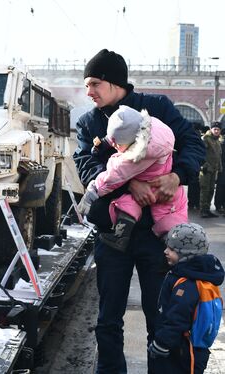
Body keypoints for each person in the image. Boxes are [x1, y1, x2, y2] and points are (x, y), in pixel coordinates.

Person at [73, 48, 206, 374]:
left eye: (93, 84)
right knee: (108, 319)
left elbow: (192, 144)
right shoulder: (89, 122)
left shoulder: (156, 107)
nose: (88, 92)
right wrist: (129, 185)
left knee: (161, 316)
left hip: (158, 236)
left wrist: (177, 176)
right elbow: (86, 164)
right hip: (113, 235)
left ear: (115, 82)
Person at [78, 105, 188, 252]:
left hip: (157, 185)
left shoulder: (137, 156)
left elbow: (112, 177)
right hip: (162, 172)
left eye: (118, 144)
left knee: (138, 206)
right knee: (162, 208)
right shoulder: (149, 127)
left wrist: (92, 192)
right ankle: (172, 248)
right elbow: (122, 133)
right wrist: (104, 142)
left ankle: (174, 247)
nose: (115, 145)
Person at [148, 223, 224, 373]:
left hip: (181, 349)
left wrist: (162, 343)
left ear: (186, 254)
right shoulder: (192, 275)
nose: (165, 251)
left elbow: (177, 317)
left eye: (171, 249)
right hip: (190, 347)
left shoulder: (187, 285)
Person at [199, 122, 222, 218]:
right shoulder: (206, 139)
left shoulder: (217, 141)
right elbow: (200, 152)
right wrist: (203, 165)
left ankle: (207, 209)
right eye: (215, 129)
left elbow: (218, 156)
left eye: (218, 129)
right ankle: (203, 210)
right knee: (205, 189)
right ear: (211, 129)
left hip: (214, 169)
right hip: (206, 169)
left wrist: (220, 168)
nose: (216, 131)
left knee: (211, 190)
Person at [214, 131, 225, 213]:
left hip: (221, 168)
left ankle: (219, 205)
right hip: (222, 168)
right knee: (221, 187)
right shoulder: (222, 144)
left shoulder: (221, 143)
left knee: (220, 187)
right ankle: (219, 205)